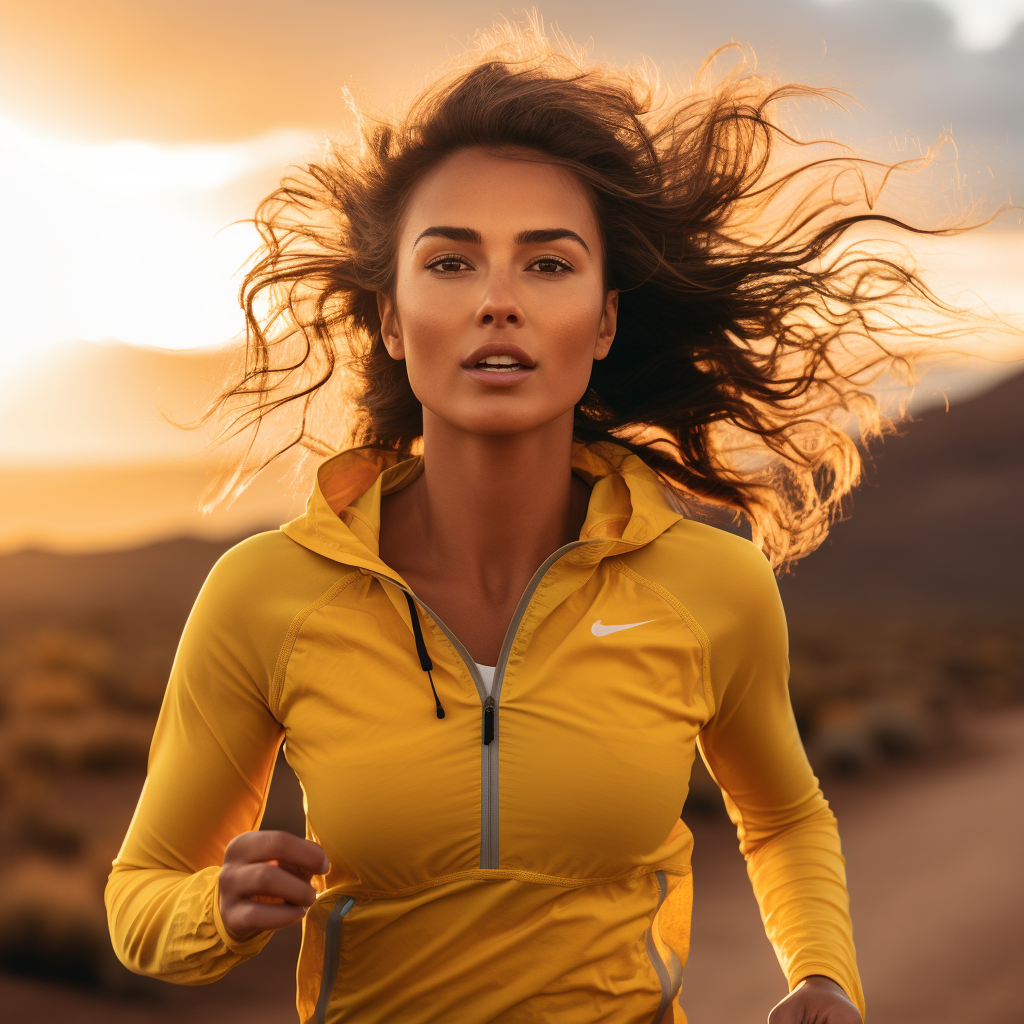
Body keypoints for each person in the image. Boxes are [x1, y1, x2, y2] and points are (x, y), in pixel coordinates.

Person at [105, 20, 968, 1024]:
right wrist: (215, 906)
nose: (498, 303)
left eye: (548, 265)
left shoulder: (708, 587)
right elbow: (140, 898)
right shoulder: (266, 594)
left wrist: (820, 973)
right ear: (390, 319)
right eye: (452, 263)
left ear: (602, 319)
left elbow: (782, 816)